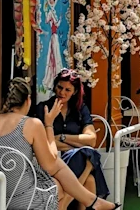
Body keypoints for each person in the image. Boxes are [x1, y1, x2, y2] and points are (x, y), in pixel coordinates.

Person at [0, 77, 118, 210]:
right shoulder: (31, 124)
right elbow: (51, 164)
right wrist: (48, 125)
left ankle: (92, 201)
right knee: (59, 182)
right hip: (21, 202)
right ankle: (92, 201)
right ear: (28, 100)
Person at [32, 69, 108, 200]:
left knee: (88, 175)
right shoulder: (43, 108)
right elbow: (45, 144)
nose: (62, 92)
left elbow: (91, 140)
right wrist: (77, 147)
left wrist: (62, 137)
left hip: (74, 162)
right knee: (87, 166)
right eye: (60, 87)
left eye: (68, 90)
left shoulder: (80, 109)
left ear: (75, 92)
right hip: (53, 163)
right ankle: (96, 202)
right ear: (55, 86)